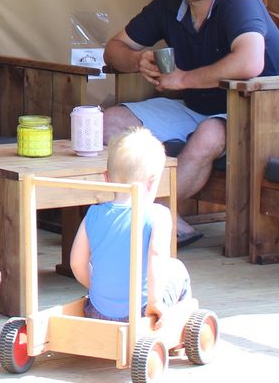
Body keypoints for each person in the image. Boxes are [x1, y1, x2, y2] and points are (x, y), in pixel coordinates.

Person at [101, 0, 279, 244]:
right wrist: (137, 60)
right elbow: (113, 48)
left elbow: (249, 62)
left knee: (209, 134)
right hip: (196, 105)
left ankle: (155, 215)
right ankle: (156, 217)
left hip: (258, 110)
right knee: (109, 122)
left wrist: (184, 79)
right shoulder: (169, 3)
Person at [68, 127, 191, 322]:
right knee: (176, 268)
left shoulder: (93, 214)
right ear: (152, 182)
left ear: (107, 178)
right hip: (141, 312)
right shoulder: (158, 215)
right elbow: (157, 257)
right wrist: (154, 302)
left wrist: (97, 288)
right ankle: (178, 326)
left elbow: (76, 263)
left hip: (97, 312)